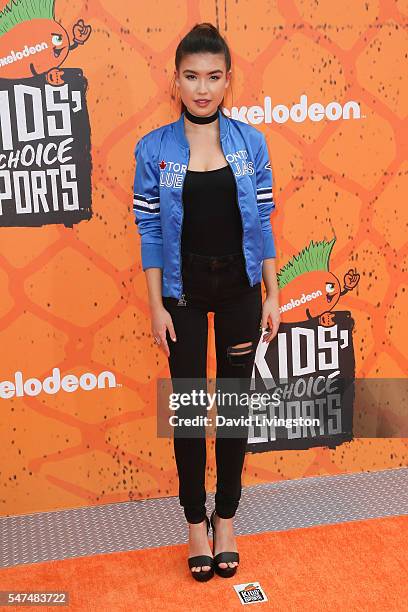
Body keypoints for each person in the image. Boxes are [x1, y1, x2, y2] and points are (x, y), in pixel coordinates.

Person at [133, 23, 280, 582]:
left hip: (241, 290)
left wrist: (273, 291)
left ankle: (227, 518)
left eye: (213, 77)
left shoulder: (250, 143)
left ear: (228, 81)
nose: (202, 88)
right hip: (183, 296)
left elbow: (262, 220)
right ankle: (195, 521)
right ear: (175, 80)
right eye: (191, 76)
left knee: (236, 410)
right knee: (191, 413)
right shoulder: (154, 149)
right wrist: (157, 306)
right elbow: (149, 231)